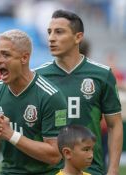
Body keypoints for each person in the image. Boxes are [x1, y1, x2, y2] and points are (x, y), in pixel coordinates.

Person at [35, 9, 123, 175]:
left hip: (91, 170)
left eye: (59, 32)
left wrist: (113, 169)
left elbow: (115, 124)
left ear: (78, 37)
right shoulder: (38, 77)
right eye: (49, 32)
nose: (51, 38)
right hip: (50, 170)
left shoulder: (102, 75)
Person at [0, 29, 68, 175]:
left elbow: (55, 155)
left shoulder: (50, 96)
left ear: (24, 58)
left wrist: (10, 135)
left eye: (6, 54)